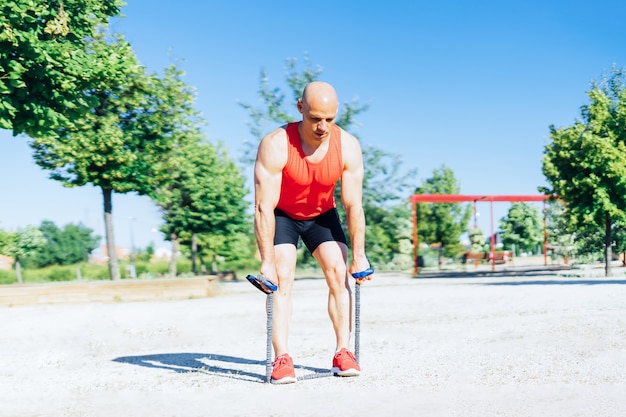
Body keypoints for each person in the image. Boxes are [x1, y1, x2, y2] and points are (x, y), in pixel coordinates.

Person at [253, 81, 373, 384]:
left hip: (322, 214)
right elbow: (263, 208)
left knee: (338, 269)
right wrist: (266, 260)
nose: (322, 127)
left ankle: (342, 352)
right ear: (300, 108)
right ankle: (282, 358)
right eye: (315, 118)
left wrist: (359, 256)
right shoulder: (276, 143)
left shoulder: (348, 146)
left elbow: (353, 206)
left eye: (329, 120)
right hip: (283, 214)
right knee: (281, 276)